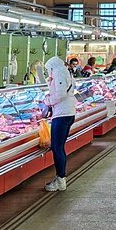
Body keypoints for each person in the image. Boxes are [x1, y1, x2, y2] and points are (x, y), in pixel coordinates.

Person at [43, 56, 76, 192]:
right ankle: (60, 178)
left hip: (62, 115)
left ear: (52, 67)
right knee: (59, 147)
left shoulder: (59, 72)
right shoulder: (64, 71)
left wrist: (48, 101)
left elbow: (61, 94)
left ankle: (61, 180)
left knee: (57, 148)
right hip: (67, 113)